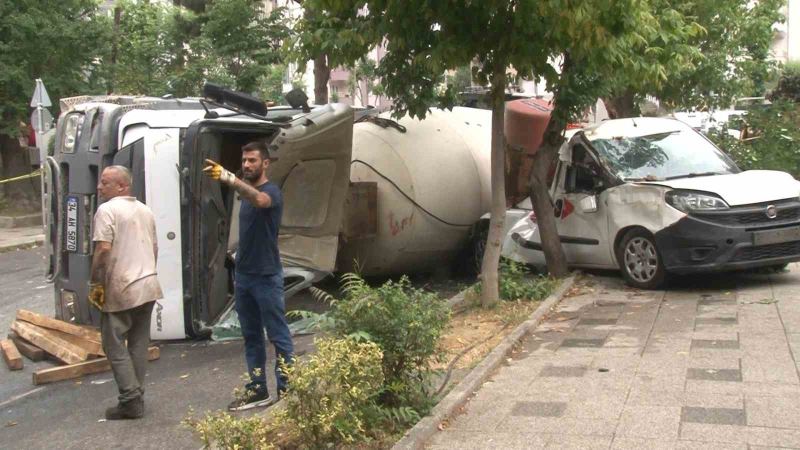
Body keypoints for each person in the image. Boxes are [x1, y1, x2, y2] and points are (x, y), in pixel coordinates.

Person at [203, 141, 294, 411]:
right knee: (251, 336)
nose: (246, 165)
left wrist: (231, 179)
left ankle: (289, 391)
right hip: (245, 277)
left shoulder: (271, 192)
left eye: (252, 160)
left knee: (278, 336)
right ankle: (258, 390)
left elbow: (260, 200)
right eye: (244, 161)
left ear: (265, 163)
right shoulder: (245, 194)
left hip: (267, 276)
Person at [88, 165, 163, 420]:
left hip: (121, 286)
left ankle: (130, 399)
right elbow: (154, 249)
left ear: (122, 186)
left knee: (114, 344)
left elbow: (103, 250)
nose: (99, 187)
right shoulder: (145, 210)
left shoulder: (107, 210)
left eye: (105, 182)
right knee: (140, 343)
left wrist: (96, 282)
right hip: (148, 285)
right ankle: (137, 395)